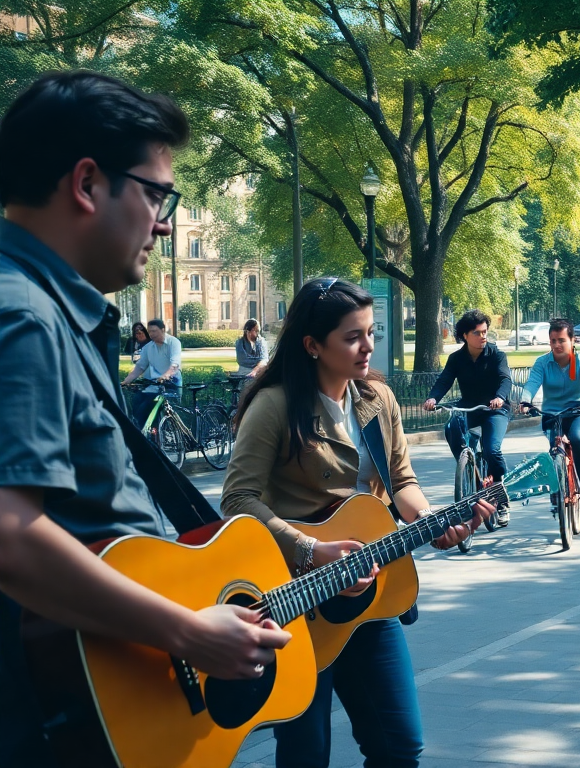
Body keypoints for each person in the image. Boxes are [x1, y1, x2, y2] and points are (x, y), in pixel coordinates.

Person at [0, 70, 291, 768]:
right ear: (88, 183)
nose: (165, 223)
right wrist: (190, 632)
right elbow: (10, 535)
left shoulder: (49, 311)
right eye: (158, 194)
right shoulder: (23, 315)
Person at [222, 277, 487, 768]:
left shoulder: (377, 400)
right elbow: (237, 499)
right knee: (307, 755)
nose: (368, 347)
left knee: (400, 746)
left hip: (369, 596)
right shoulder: (276, 404)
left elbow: (402, 481)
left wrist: (432, 519)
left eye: (370, 332)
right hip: (297, 603)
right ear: (313, 345)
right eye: (352, 337)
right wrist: (308, 547)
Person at [422, 309, 513, 524]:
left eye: (484, 332)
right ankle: (468, 467)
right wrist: (433, 398)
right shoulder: (456, 359)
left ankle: (501, 499)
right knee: (451, 427)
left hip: (494, 409)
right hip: (469, 407)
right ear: (465, 335)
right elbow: (444, 380)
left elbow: (505, 379)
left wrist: (500, 397)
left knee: (492, 450)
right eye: (477, 333)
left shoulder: (497, 355)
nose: (483, 337)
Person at [520, 318, 580, 505]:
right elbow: (532, 383)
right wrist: (525, 401)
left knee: (578, 438)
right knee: (555, 448)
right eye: (553, 340)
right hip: (552, 415)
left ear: (572, 341)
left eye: (562, 340)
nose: (557, 345)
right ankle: (557, 486)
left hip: (578, 413)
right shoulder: (542, 363)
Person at [120, 317, 182, 427]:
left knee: (149, 406)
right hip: (155, 383)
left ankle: (170, 434)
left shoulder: (174, 343)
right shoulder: (148, 347)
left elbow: (175, 364)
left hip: (172, 382)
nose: (151, 334)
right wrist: (125, 381)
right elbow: (140, 367)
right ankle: (145, 434)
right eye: (149, 331)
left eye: (154, 331)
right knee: (137, 400)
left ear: (163, 330)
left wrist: (166, 375)